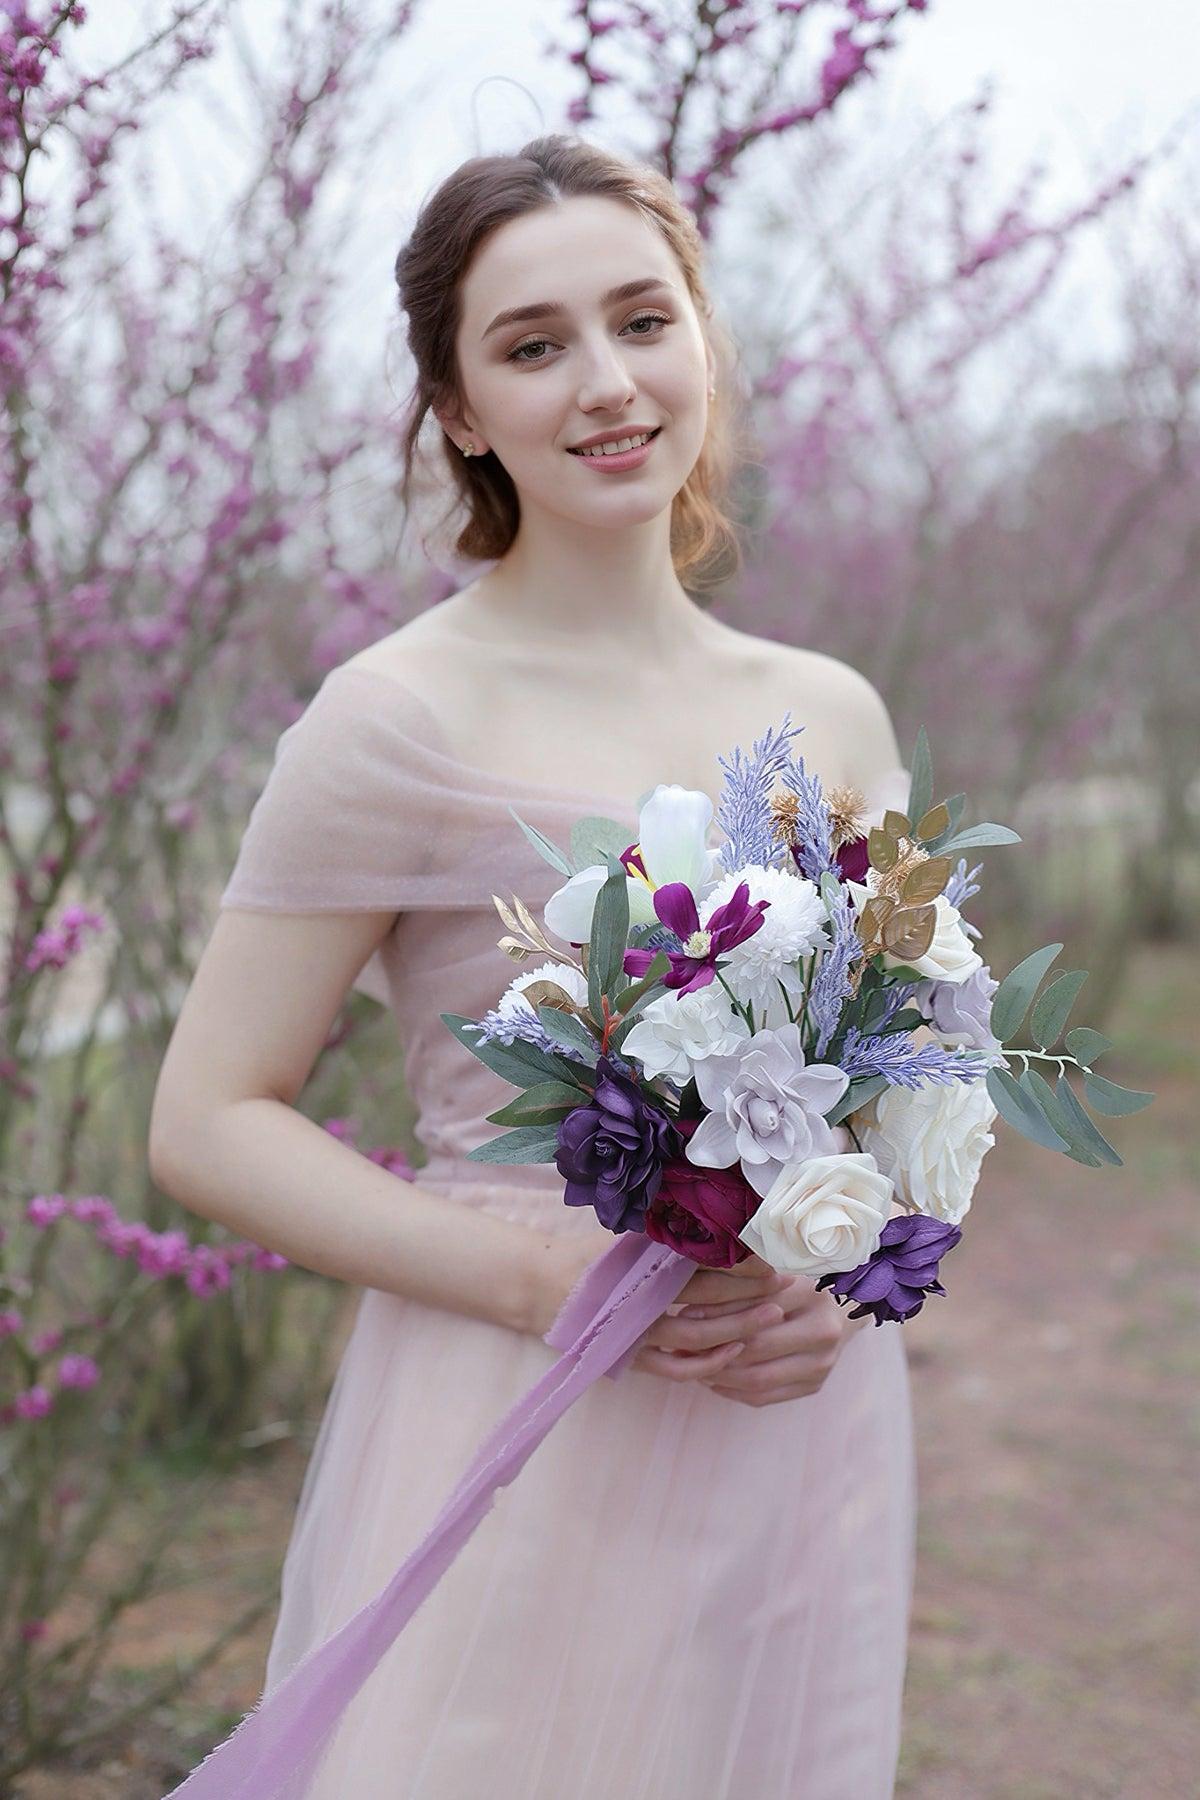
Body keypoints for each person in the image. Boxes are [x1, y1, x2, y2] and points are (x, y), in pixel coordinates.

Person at [149, 134, 915, 1799]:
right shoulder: (394, 719)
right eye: (531, 344)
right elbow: (207, 1117)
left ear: (702, 337)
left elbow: (907, 1086)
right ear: (459, 408)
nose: (606, 382)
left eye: (643, 319)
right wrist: (537, 1291)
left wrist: (849, 1287)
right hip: (506, 1386)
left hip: (773, 1414)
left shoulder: (832, 711)